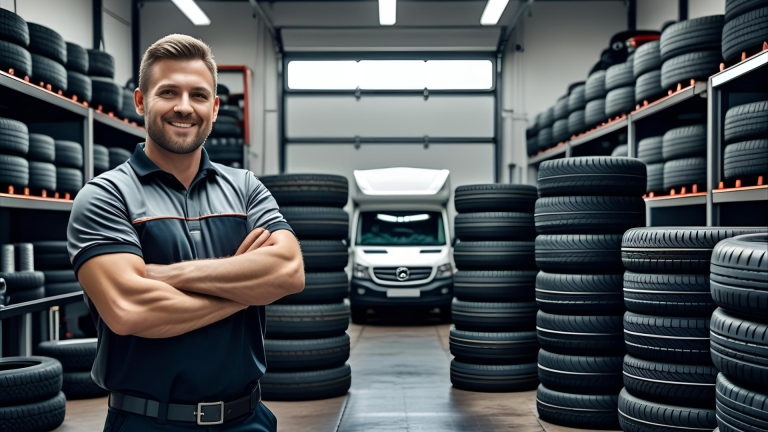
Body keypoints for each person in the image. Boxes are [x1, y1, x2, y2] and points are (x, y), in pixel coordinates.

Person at [67, 34, 304, 431]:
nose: (183, 107)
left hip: (248, 420)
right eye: (169, 92)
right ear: (142, 101)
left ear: (213, 107)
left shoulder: (246, 188)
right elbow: (131, 309)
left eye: (198, 95)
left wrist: (163, 274)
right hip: (148, 422)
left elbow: (288, 272)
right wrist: (247, 289)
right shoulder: (105, 196)